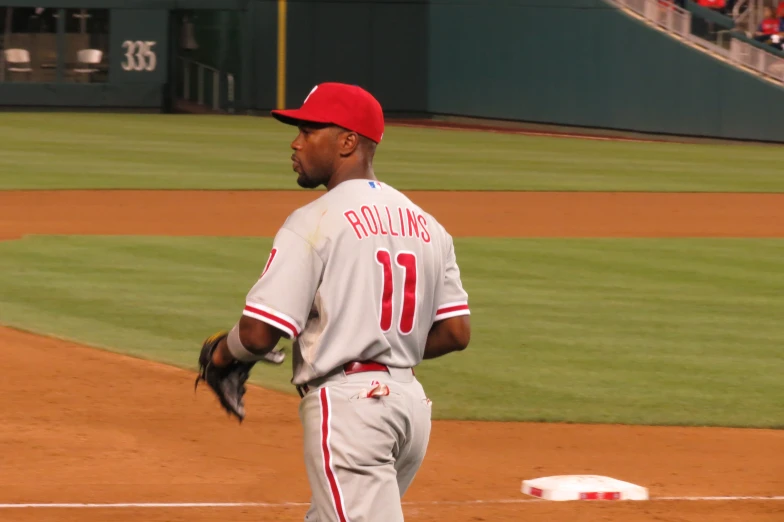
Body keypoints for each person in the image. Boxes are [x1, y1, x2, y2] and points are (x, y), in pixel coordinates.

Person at [196, 82, 472, 522]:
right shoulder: (428, 225)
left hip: (354, 415)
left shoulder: (313, 221)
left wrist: (222, 353)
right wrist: (378, 341)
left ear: (347, 142)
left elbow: (259, 332)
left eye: (308, 130)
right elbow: (456, 333)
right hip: (411, 410)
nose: (295, 141)